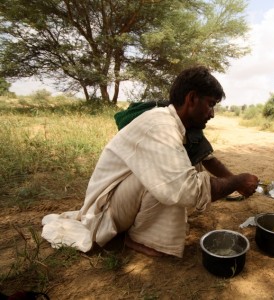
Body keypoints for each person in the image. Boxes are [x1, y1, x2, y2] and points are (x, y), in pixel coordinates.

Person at [41, 66, 259, 258]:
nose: (212, 114)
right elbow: (187, 190)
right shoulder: (160, 126)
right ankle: (129, 237)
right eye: (210, 104)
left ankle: (138, 233)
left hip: (119, 202)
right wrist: (238, 180)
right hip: (104, 212)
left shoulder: (175, 123)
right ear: (192, 98)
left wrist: (233, 182)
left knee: (179, 172)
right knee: (174, 182)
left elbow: (206, 160)